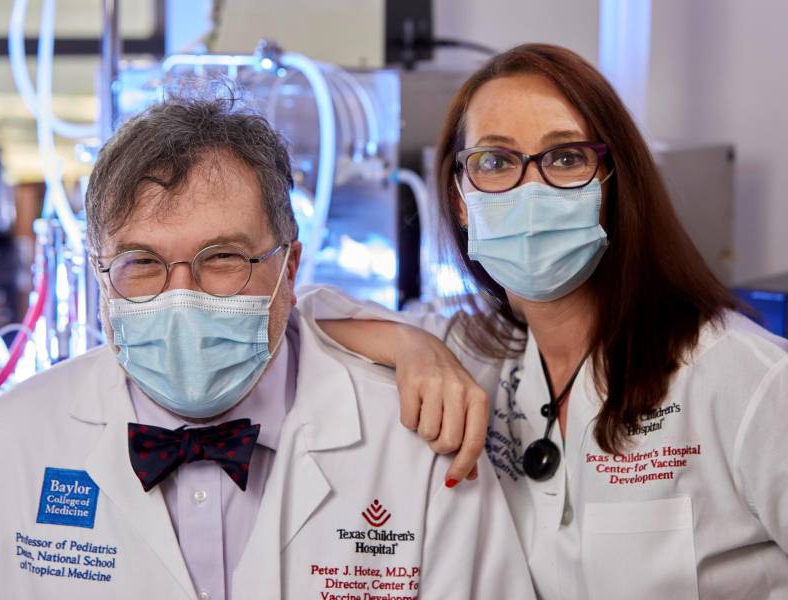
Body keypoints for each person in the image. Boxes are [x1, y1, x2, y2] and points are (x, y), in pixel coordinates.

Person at [0, 96, 535, 599]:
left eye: (223, 257)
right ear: (100, 275)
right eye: (143, 262)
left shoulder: (417, 446)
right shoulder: (10, 442)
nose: (181, 298)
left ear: (290, 269)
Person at [308, 43, 788, 599]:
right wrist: (411, 347)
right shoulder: (474, 351)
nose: (530, 190)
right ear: (461, 200)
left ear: (613, 182)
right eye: (495, 161)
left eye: (565, 158)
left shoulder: (743, 378)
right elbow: (299, 323)